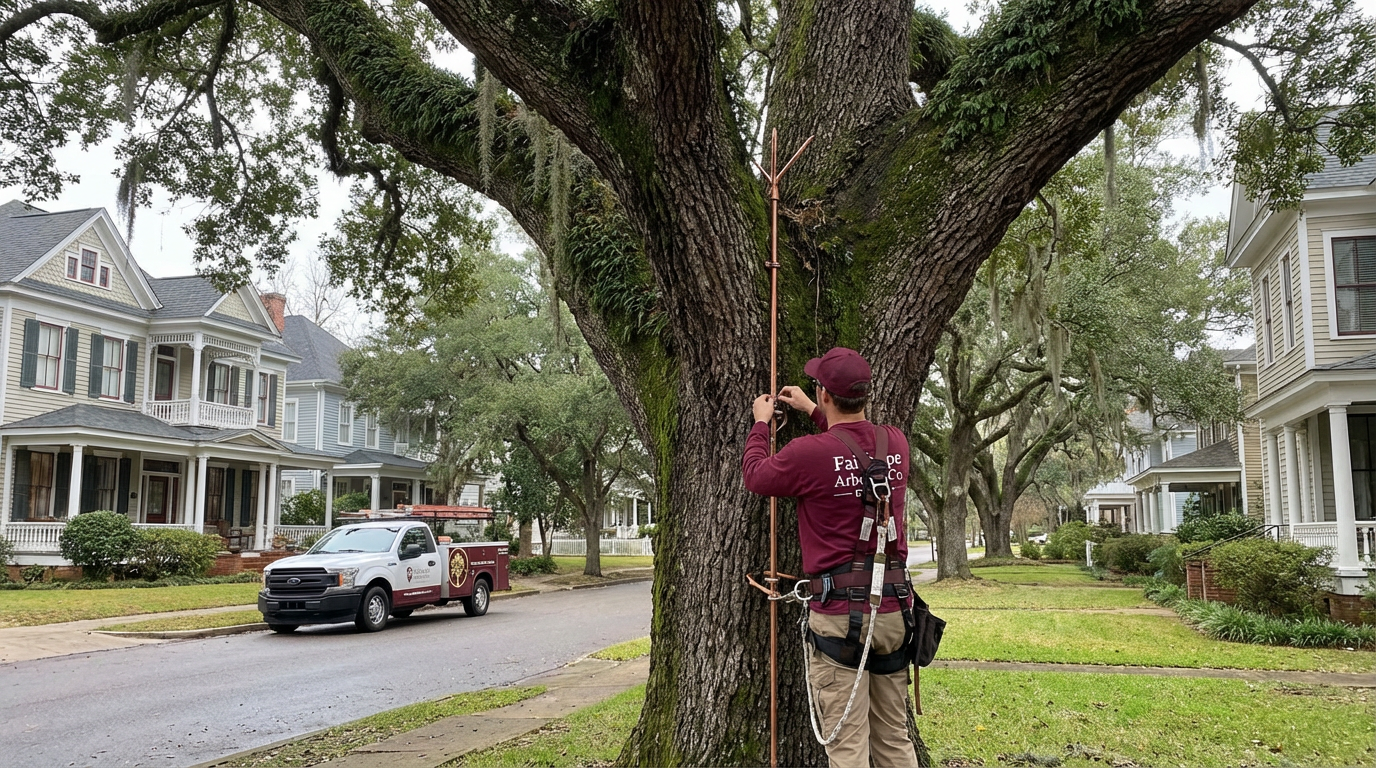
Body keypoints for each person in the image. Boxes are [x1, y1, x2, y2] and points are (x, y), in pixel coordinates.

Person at [742, 347, 919, 768]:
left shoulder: (808, 453)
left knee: (846, 745)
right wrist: (813, 411)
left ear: (824, 393)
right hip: (894, 611)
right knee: (894, 737)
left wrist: (761, 424)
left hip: (840, 618)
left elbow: (757, 475)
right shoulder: (895, 442)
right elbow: (854, 452)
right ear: (865, 395)